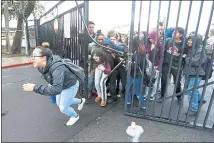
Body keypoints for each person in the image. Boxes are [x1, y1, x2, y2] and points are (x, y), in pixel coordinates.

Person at [22, 46, 86, 126]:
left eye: (34, 56)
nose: (32, 58)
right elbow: (52, 79)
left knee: (63, 108)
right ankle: (81, 101)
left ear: (44, 58)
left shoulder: (57, 68)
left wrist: (35, 88)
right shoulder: (40, 67)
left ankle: (75, 116)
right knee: (59, 103)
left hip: (70, 85)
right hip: (61, 85)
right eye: (32, 56)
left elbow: (56, 89)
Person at [158, 27, 185, 104]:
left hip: (176, 66)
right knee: (163, 80)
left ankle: (179, 96)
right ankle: (162, 96)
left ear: (181, 35)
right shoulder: (168, 41)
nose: (174, 33)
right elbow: (163, 52)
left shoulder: (183, 45)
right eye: (173, 32)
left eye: (176, 33)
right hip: (166, 64)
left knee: (177, 82)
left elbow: (185, 56)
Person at [183, 33, 207, 116]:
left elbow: (195, 62)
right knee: (193, 90)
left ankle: (194, 109)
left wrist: (186, 58)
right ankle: (200, 100)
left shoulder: (199, 50)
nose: (189, 41)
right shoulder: (193, 48)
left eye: (191, 39)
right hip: (191, 72)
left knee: (190, 91)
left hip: (195, 73)